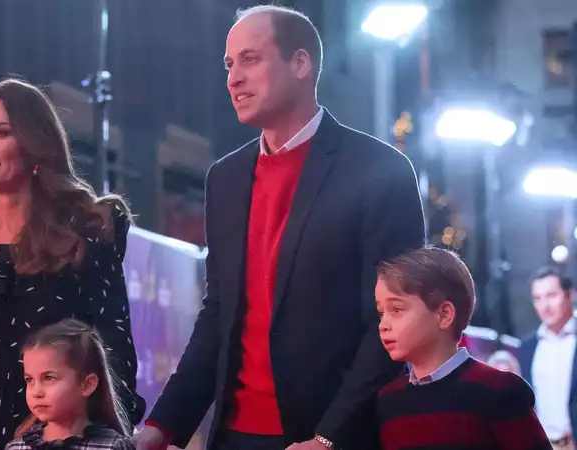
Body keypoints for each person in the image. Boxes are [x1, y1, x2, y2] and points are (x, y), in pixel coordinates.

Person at [133, 5, 425, 450]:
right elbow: (219, 316)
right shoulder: (226, 178)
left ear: (301, 64)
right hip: (233, 434)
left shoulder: (380, 171)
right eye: (229, 64)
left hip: (330, 434)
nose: (233, 78)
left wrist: (329, 437)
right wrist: (164, 425)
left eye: (250, 59)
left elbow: (393, 323)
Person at [0, 78, 145, 450]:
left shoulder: (86, 234)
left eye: (1, 132)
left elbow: (115, 353)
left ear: (34, 143)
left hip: (69, 441)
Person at [375, 247, 550, 450]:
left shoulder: (498, 390)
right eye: (381, 312)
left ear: (444, 314)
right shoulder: (388, 400)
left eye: (396, 309)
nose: (383, 324)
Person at [4, 319, 135, 450]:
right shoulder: (17, 447)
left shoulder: (113, 446)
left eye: (49, 378)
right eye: (29, 380)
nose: (36, 392)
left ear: (87, 385)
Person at [519, 267, 577, 450]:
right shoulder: (527, 347)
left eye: (551, 295)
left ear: (570, 295)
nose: (545, 306)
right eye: (538, 298)